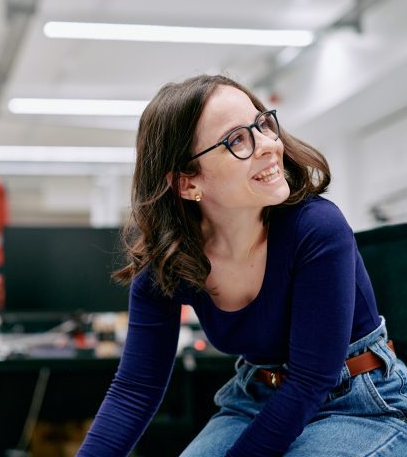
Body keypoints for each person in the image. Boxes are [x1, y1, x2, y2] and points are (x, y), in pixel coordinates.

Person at [76, 74, 407, 456]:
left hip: (359, 401)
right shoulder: (170, 265)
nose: (269, 145)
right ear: (187, 182)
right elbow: (136, 390)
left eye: (262, 124)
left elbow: (311, 380)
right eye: (237, 140)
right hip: (255, 397)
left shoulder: (316, 227)